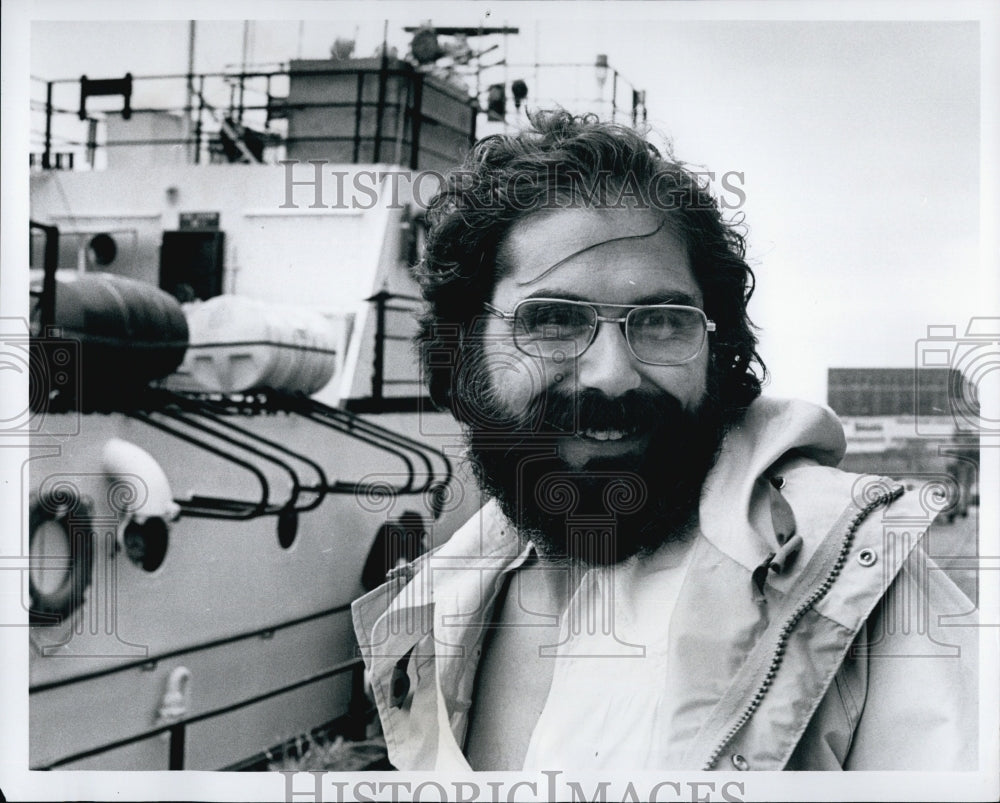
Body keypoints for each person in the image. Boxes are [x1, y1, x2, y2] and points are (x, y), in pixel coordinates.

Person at [352, 112, 978, 771]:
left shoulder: (869, 594)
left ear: (717, 347)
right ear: (465, 351)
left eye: (660, 322)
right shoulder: (440, 600)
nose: (613, 374)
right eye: (554, 320)